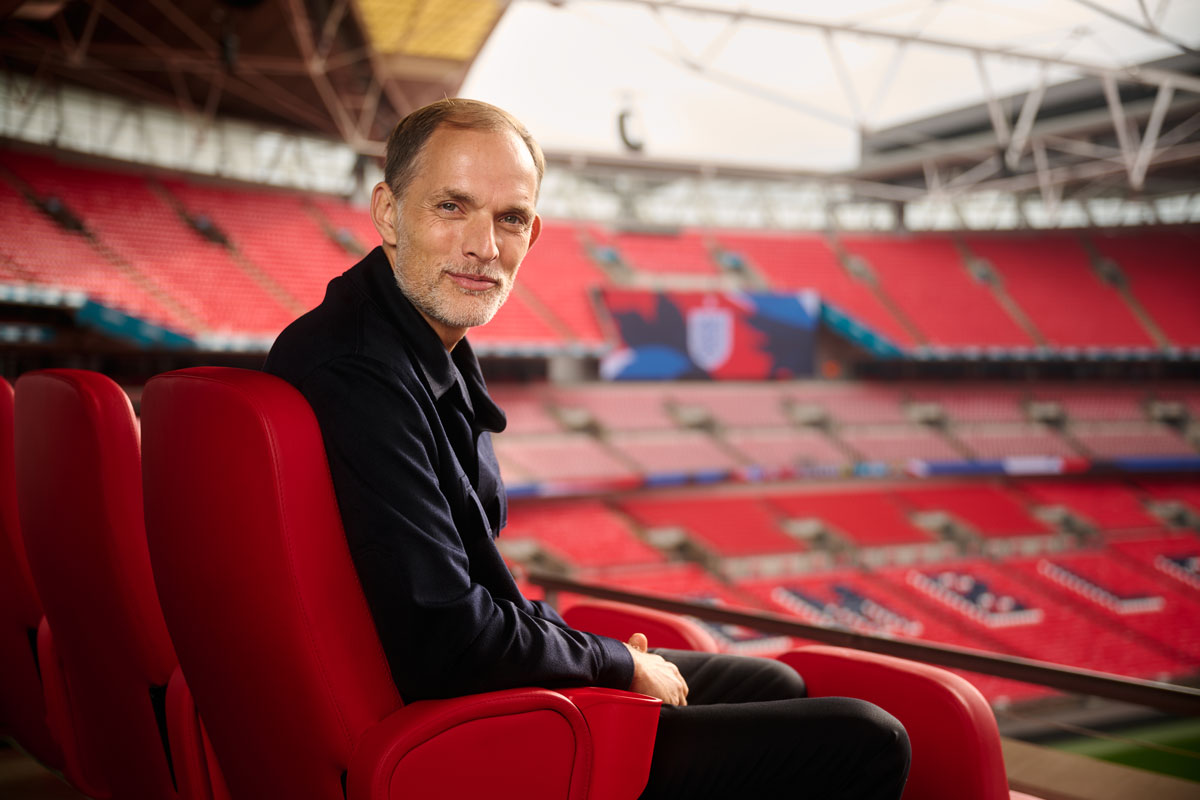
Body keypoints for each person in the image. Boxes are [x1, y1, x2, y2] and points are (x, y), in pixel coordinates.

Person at [264, 98, 910, 798]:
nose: (484, 245)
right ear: (389, 212)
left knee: (773, 680)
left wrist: (593, 657)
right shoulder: (361, 373)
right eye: (452, 206)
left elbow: (466, 593)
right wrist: (614, 666)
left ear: (533, 234)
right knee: (868, 737)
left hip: (457, 691)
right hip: (459, 732)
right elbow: (445, 638)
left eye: (509, 218)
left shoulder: (407, 345)